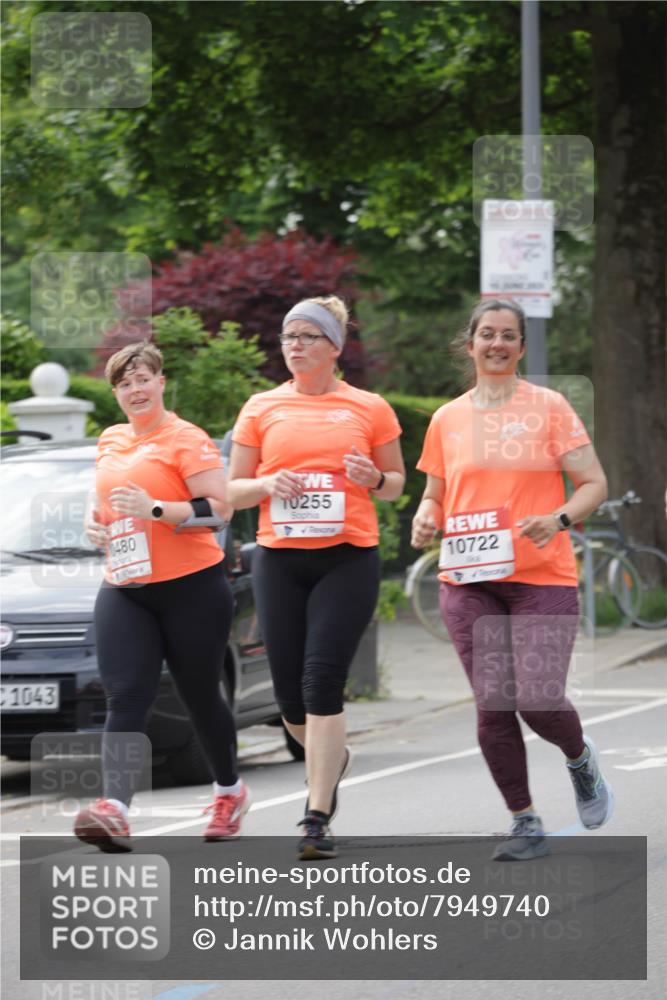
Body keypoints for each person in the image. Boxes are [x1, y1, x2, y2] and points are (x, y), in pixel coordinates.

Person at [411, 298, 614, 861]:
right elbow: (435, 492)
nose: (496, 344)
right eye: (487, 334)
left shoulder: (549, 408)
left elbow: (593, 482)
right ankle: (524, 820)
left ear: (521, 347)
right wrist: (425, 515)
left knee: (539, 698)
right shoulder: (447, 419)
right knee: (494, 704)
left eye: (508, 336)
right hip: (468, 578)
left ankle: (579, 759)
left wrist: (561, 518)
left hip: (541, 577)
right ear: (470, 343)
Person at [228, 296, 405, 859]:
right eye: (287, 337)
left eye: (307, 336)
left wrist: (373, 476)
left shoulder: (369, 407)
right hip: (279, 560)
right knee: (289, 701)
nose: (295, 346)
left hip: (348, 557)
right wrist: (265, 485)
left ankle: (316, 815)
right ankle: (333, 757)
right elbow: (229, 489)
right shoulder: (261, 407)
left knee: (321, 680)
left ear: (334, 346)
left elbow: (398, 482)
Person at [74, 341, 250, 851]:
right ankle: (116, 809)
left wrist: (155, 509)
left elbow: (217, 512)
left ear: (161, 382)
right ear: (117, 394)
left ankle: (228, 792)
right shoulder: (109, 439)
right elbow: (101, 498)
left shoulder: (185, 438)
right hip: (126, 585)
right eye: (125, 383)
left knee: (198, 693)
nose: (135, 390)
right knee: (126, 695)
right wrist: (93, 522)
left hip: (191, 587)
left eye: (143, 378)